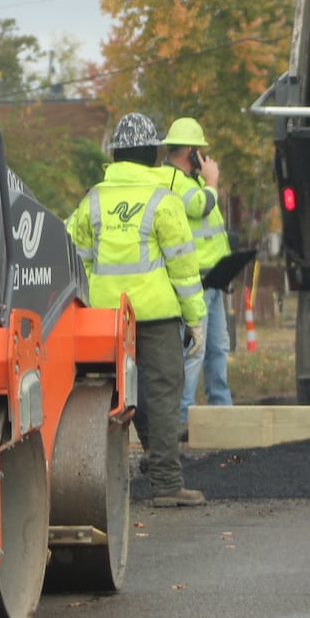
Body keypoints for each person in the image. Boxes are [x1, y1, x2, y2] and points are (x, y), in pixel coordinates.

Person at [66, 113, 208, 508]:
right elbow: (182, 266)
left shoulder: (93, 199)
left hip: (105, 319)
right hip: (157, 317)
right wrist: (195, 317)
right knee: (162, 393)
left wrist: (91, 306)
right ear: (152, 153)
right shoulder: (164, 200)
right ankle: (166, 484)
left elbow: (78, 262)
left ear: (116, 153)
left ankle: (98, 483)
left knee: (111, 394)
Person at [162, 117, 233, 431]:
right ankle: (182, 419)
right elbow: (200, 206)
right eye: (199, 151)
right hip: (197, 283)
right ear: (190, 151)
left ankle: (222, 412)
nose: (203, 157)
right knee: (196, 350)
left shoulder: (191, 182)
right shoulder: (173, 181)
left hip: (215, 279)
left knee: (218, 348)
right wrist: (213, 182)